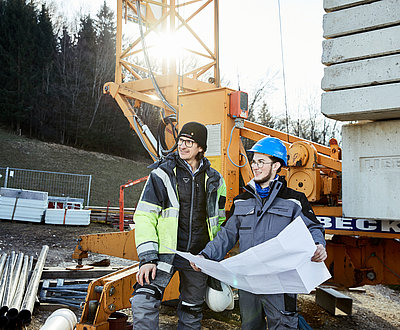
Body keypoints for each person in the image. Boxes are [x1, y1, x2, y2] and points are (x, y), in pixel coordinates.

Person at [191, 136, 327, 330]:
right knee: (250, 326)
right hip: (250, 281)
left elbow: (313, 227)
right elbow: (226, 235)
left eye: (261, 162)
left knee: (283, 326)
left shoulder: (294, 200)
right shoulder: (242, 200)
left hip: (281, 281)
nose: (255, 166)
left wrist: (318, 244)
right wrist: (205, 256)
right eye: (254, 161)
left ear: (277, 166)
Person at [131, 121, 227, 330]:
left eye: (189, 142)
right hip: (165, 254)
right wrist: (148, 258)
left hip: (197, 258)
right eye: (181, 141)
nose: (182, 146)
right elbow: (145, 217)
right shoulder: (162, 174)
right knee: (143, 301)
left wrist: (211, 256)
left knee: (192, 312)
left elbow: (218, 220)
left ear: (201, 147)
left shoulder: (216, 180)